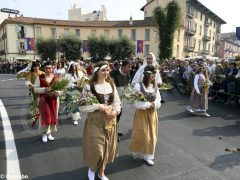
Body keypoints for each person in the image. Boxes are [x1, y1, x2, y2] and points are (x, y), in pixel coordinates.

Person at [80, 61, 121, 180]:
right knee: (97, 148)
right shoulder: (89, 86)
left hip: (110, 121)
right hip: (95, 121)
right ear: (96, 72)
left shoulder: (111, 85)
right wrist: (98, 106)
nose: (106, 72)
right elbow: (82, 107)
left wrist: (115, 112)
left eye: (107, 70)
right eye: (103, 70)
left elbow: (117, 103)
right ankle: (92, 168)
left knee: (107, 147)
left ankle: (101, 172)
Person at [129, 65, 161, 166]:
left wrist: (154, 104)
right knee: (142, 135)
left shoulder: (155, 86)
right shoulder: (139, 86)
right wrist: (147, 104)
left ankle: (148, 156)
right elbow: (135, 102)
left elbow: (158, 99)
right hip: (142, 114)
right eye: (153, 74)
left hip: (152, 114)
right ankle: (137, 149)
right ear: (147, 75)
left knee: (152, 136)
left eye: (154, 74)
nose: (154, 76)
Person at [34, 61, 62, 142]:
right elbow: (35, 89)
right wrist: (44, 89)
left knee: (53, 116)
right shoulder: (39, 77)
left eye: (50, 68)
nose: (48, 70)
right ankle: (44, 133)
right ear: (44, 68)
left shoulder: (56, 77)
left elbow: (62, 89)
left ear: (52, 68)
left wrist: (59, 92)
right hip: (44, 100)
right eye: (46, 68)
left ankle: (49, 133)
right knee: (45, 116)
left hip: (54, 100)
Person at [110, 60, 132, 141]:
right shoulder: (113, 73)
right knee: (114, 116)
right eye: (128, 67)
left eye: (131, 67)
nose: (130, 68)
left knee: (118, 115)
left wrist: (132, 94)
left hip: (121, 100)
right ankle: (113, 133)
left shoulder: (128, 75)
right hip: (112, 100)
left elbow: (127, 86)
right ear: (123, 67)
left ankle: (115, 129)